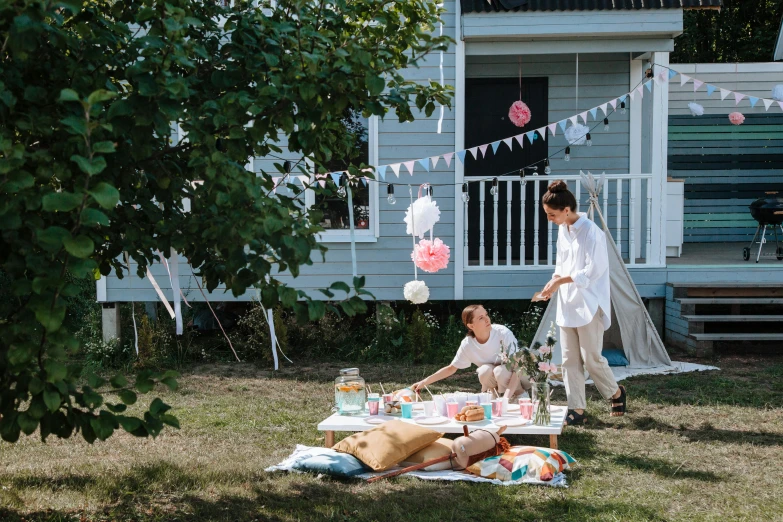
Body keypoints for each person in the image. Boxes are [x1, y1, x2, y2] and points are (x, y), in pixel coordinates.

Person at [539, 180, 626, 426]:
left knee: (591, 358)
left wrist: (561, 281)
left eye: (552, 214)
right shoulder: (562, 230)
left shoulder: (592, 233)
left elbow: (591, 273)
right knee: (569, 360)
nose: (550, 219)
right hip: (567, 302)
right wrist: (552, 283)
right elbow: (561, 265)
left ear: (567, 209)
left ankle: (615, 392)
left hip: (589, 303)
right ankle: (576, 407)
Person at [411, 304, 530, 398]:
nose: (487, 319)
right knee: (484, 370)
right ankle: (493, 395)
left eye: (486, 315)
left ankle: (520, 396)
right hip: (499, 379)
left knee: (500, 371)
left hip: (520, 376)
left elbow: (518, 367)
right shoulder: (468, 344)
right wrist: (424, 382)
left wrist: (506, 399)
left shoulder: (502, 333)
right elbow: (451, 368)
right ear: (471, 326)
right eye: (481, 318)